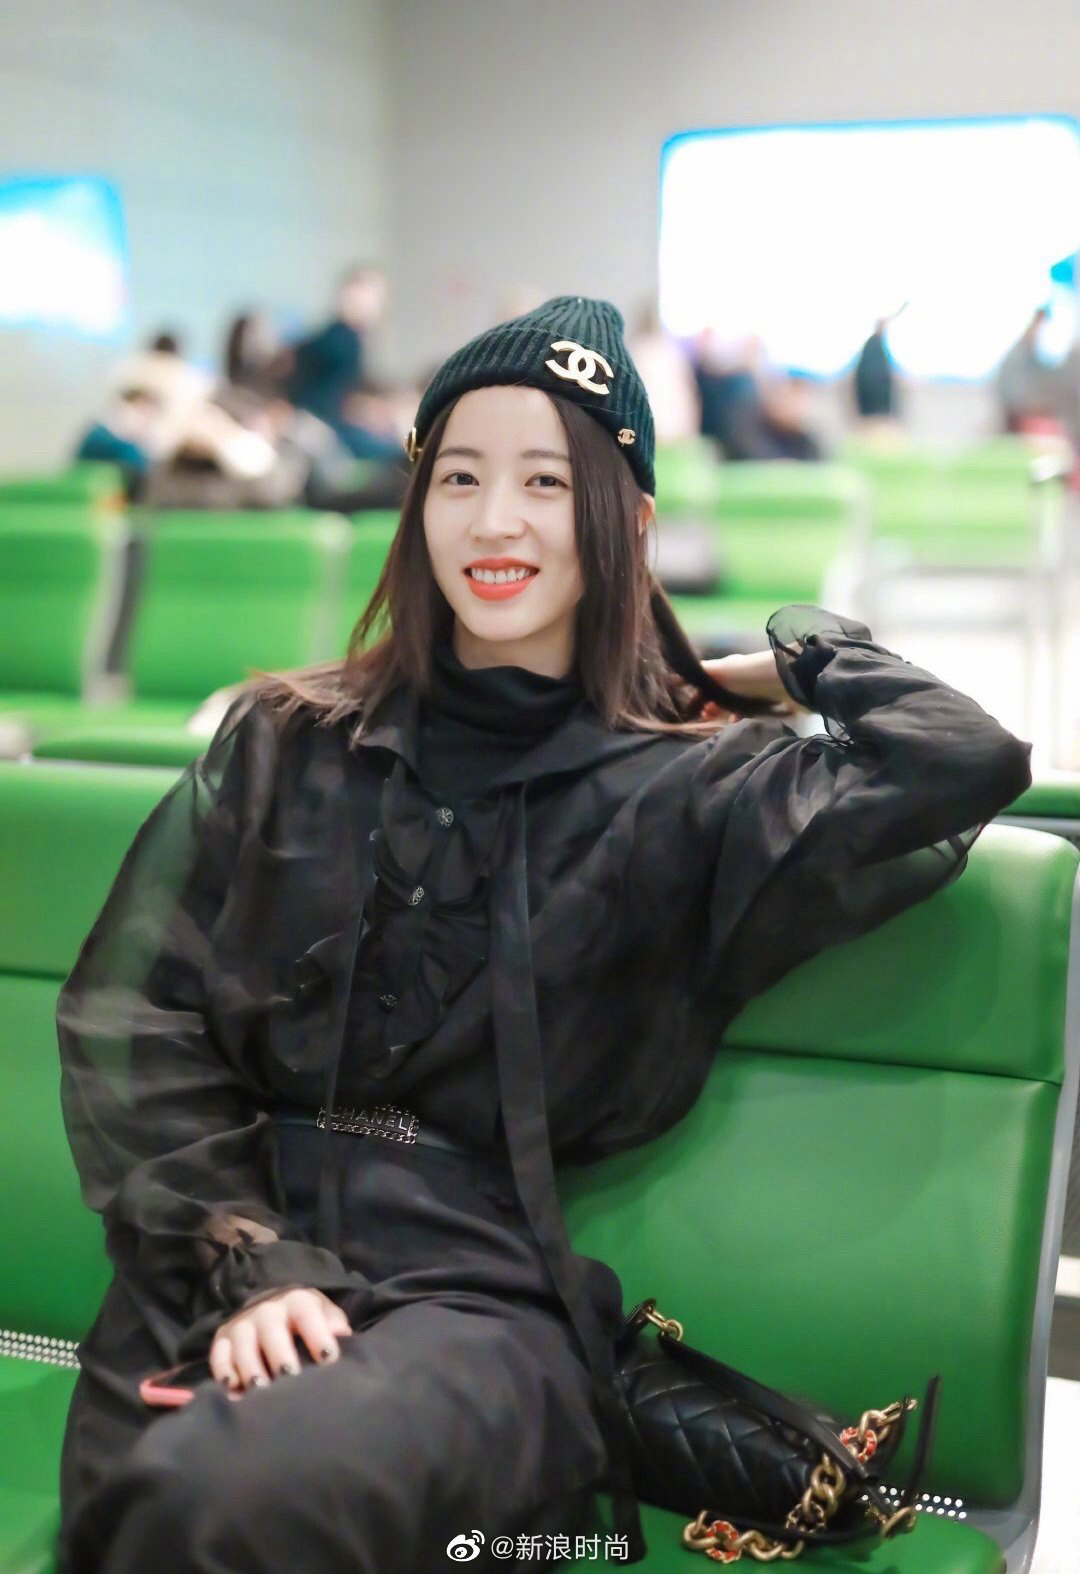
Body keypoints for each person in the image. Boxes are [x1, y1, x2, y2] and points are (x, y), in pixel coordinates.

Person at [56, 295, 1032, 1573]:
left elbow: (959, 756)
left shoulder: (681, 787)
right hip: (224, 1255)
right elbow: (144, 1022)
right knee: (141, 1509)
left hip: (466, 1301)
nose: (495, 521)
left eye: (547, 481)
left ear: (627, 521)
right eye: (459, 477)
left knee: (222, 1502)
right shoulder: (290, 740)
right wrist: (254, 1258)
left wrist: (777, 667)